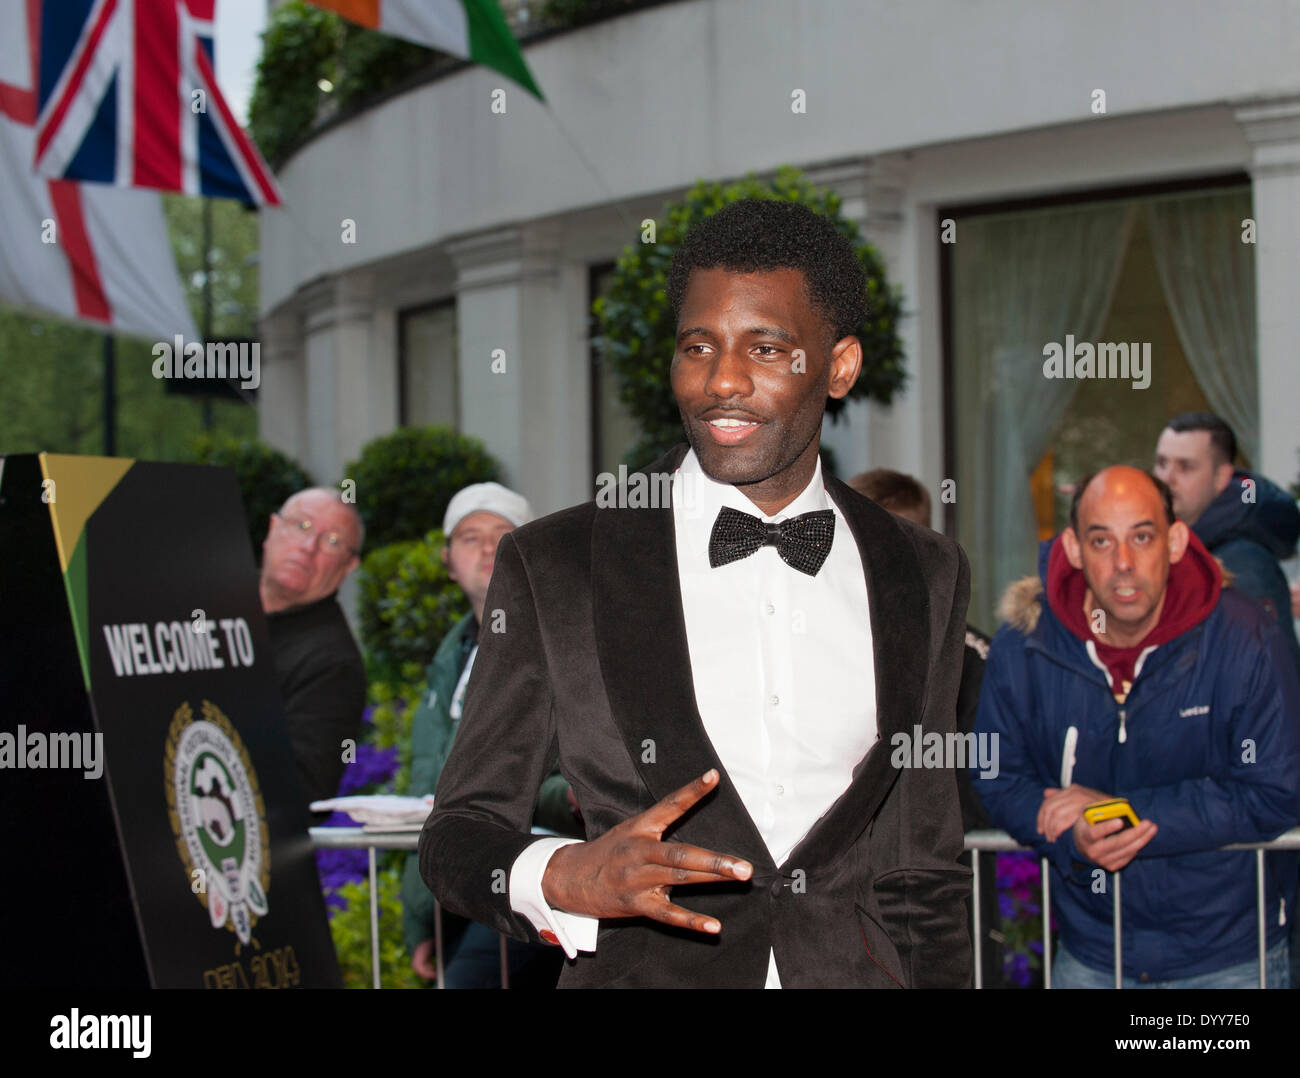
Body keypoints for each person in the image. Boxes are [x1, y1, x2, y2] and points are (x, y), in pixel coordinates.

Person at [420, 199, 973, 988]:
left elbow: (924, 863)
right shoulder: (559, 565)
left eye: (767, 347)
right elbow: (458, 833)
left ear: (840, 366)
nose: (721, 381)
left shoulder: (922, 570)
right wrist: (561, 874)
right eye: (698, 346)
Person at [974, 466, 1300, 988]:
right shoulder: (1027, 642)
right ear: (1074, 549)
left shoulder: (1244, 635)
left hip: (1230, 959)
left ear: (1175, 541)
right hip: (1091, 954)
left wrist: (1118, 815)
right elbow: (997, 777)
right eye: (1101, 540)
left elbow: (1277, 790)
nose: (1123, 564)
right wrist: (1068, 837)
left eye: (1141, 537)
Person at [401, 482, 580, 988]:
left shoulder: (569, 640)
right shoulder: (449, 656)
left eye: (503, 534)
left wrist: (564, 800)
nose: (486, 548)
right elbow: (427, 789)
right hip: (460, 884)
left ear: (531, 550)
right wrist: (420, 916)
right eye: (469, 537)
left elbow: (579, 777)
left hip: (536, 874)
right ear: (447, 559)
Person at [847, 466, 1001, 986]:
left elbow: (985, 772)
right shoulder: (824, 636)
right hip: (838, 891)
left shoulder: (970, 653)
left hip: (942, 882)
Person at [1153, 412, 1300, 673]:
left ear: (1221, 478)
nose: (1167, 478)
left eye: (1185, 467)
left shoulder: (1244, 564)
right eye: (1162, 463)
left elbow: (1274, 684)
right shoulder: (1179, 543)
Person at [260, 487, 367, 810]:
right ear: (272, 529)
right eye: (302, 527)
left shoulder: (334, 664)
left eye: (332, 542)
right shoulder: (204, 603)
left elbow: (303, 790)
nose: (308, 548)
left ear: (348, 566)